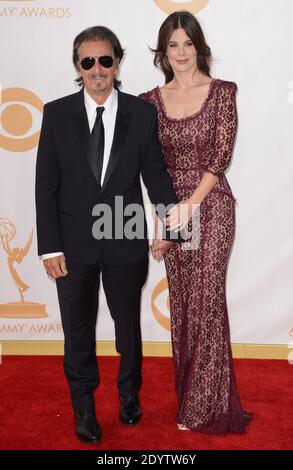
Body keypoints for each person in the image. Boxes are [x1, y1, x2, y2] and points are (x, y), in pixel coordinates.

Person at [35, 26, 179, 444]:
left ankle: (129, 395)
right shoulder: (56, 113)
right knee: (77, 332)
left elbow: (155, 175)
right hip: (72, 243)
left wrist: (172, 226)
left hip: (124, 235)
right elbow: (46, 185)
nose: (97, 69)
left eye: (105, 60)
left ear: (117, 62)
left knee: (126, 329)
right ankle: (83, 408)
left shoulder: (141, 113)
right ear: (78, 67)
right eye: (87, 62)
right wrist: (49, 247)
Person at [140, 11, 252, 433]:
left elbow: (220, 156)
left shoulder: (222, 92)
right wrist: (166, 222)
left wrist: (190, 206)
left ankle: (201, 408)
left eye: (188, 43)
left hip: (211, 204)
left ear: (199, 46)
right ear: (162, 51)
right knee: (184, 305)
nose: (181, 52)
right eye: (173, 44)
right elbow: (152, 168)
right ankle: (194, 394)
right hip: (173, 209)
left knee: (206, 300)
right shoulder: (149, 101)